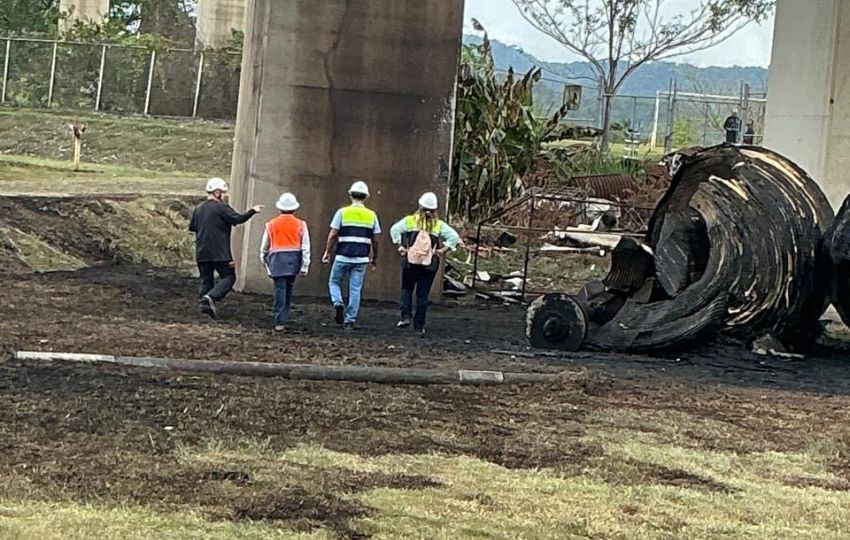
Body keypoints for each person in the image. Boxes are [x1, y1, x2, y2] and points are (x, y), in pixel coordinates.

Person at [189, 177, 263, 318]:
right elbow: (237, 219)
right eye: (223, 193)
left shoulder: (198, 209)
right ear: (217, 192)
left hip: (202, 252)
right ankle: (210, 298)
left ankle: (204, 308)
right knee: (229, 277)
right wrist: (252, 211)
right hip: (220, 253)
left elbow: (193, 227)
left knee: (206, 279)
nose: (224, 196)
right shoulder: (222, 208)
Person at [390, 192, 461, 336]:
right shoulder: (438, 225)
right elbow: (454, 237)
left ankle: (405, 317)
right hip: (429, 264)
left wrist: (400, 247)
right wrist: (442, 250)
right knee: (423, 294)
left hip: (411, 262)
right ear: (435, 210)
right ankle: (419, 326)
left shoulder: (410, 221)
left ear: (419, 206)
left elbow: (394, 230)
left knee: (407, 289)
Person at [321, 181, 381, 330]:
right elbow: (376, 239)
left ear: (350, 195)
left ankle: (338, 303)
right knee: (355, 289)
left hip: (342, 255)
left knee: (334, 282)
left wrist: (327, 252)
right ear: (366, 197)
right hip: (361, 258)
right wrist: (375, 258)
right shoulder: (371, 215)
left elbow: (333, 234)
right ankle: (350, 320)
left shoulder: (342, 212)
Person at [260, 193, 310, 332]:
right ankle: (284, 317)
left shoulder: (271, 224)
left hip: (277, 261)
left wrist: (264, 260)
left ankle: (279, 320)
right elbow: (305, 246)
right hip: (293, 260)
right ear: (294, 208)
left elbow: (264, 246)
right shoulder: (301, 224)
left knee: (280, 289)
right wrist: (305, 266)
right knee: (288, 288)